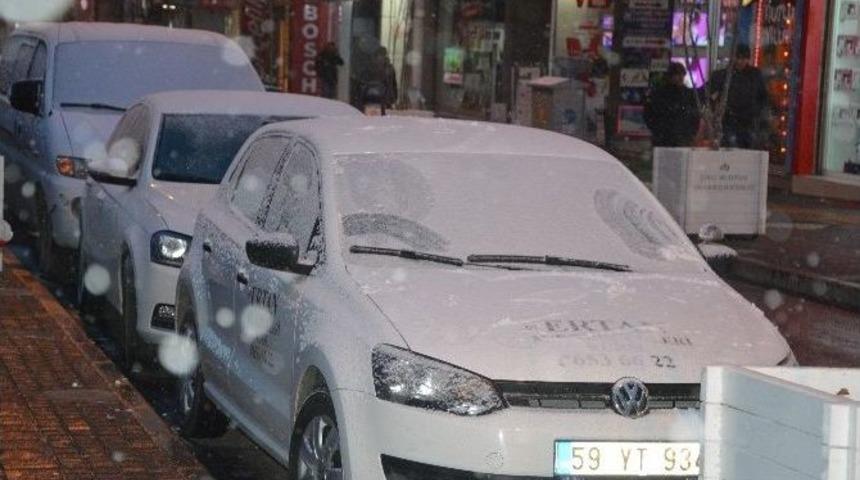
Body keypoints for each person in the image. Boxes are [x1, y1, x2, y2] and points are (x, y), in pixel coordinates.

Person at [709, 44, 769, 149]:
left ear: (747, 59)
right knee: (732, 147)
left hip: (748, 120)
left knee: (745, 146)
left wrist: (757, 112)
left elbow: (763, 97)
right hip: (729, 120)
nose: (740, 61)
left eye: (743, 58)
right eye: (738, 58)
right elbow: (708, 92)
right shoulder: (723, 75)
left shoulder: (754, 75)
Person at [643, 62, 701, 147]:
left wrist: (690, 133)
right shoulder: (659, 94)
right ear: (670, 76)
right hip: (664, 137)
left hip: (682, 137)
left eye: (682, 74)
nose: (681, 78)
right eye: (677, 75)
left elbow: (695, 115)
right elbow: (649, 114)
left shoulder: (689, 94)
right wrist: (658, 130)